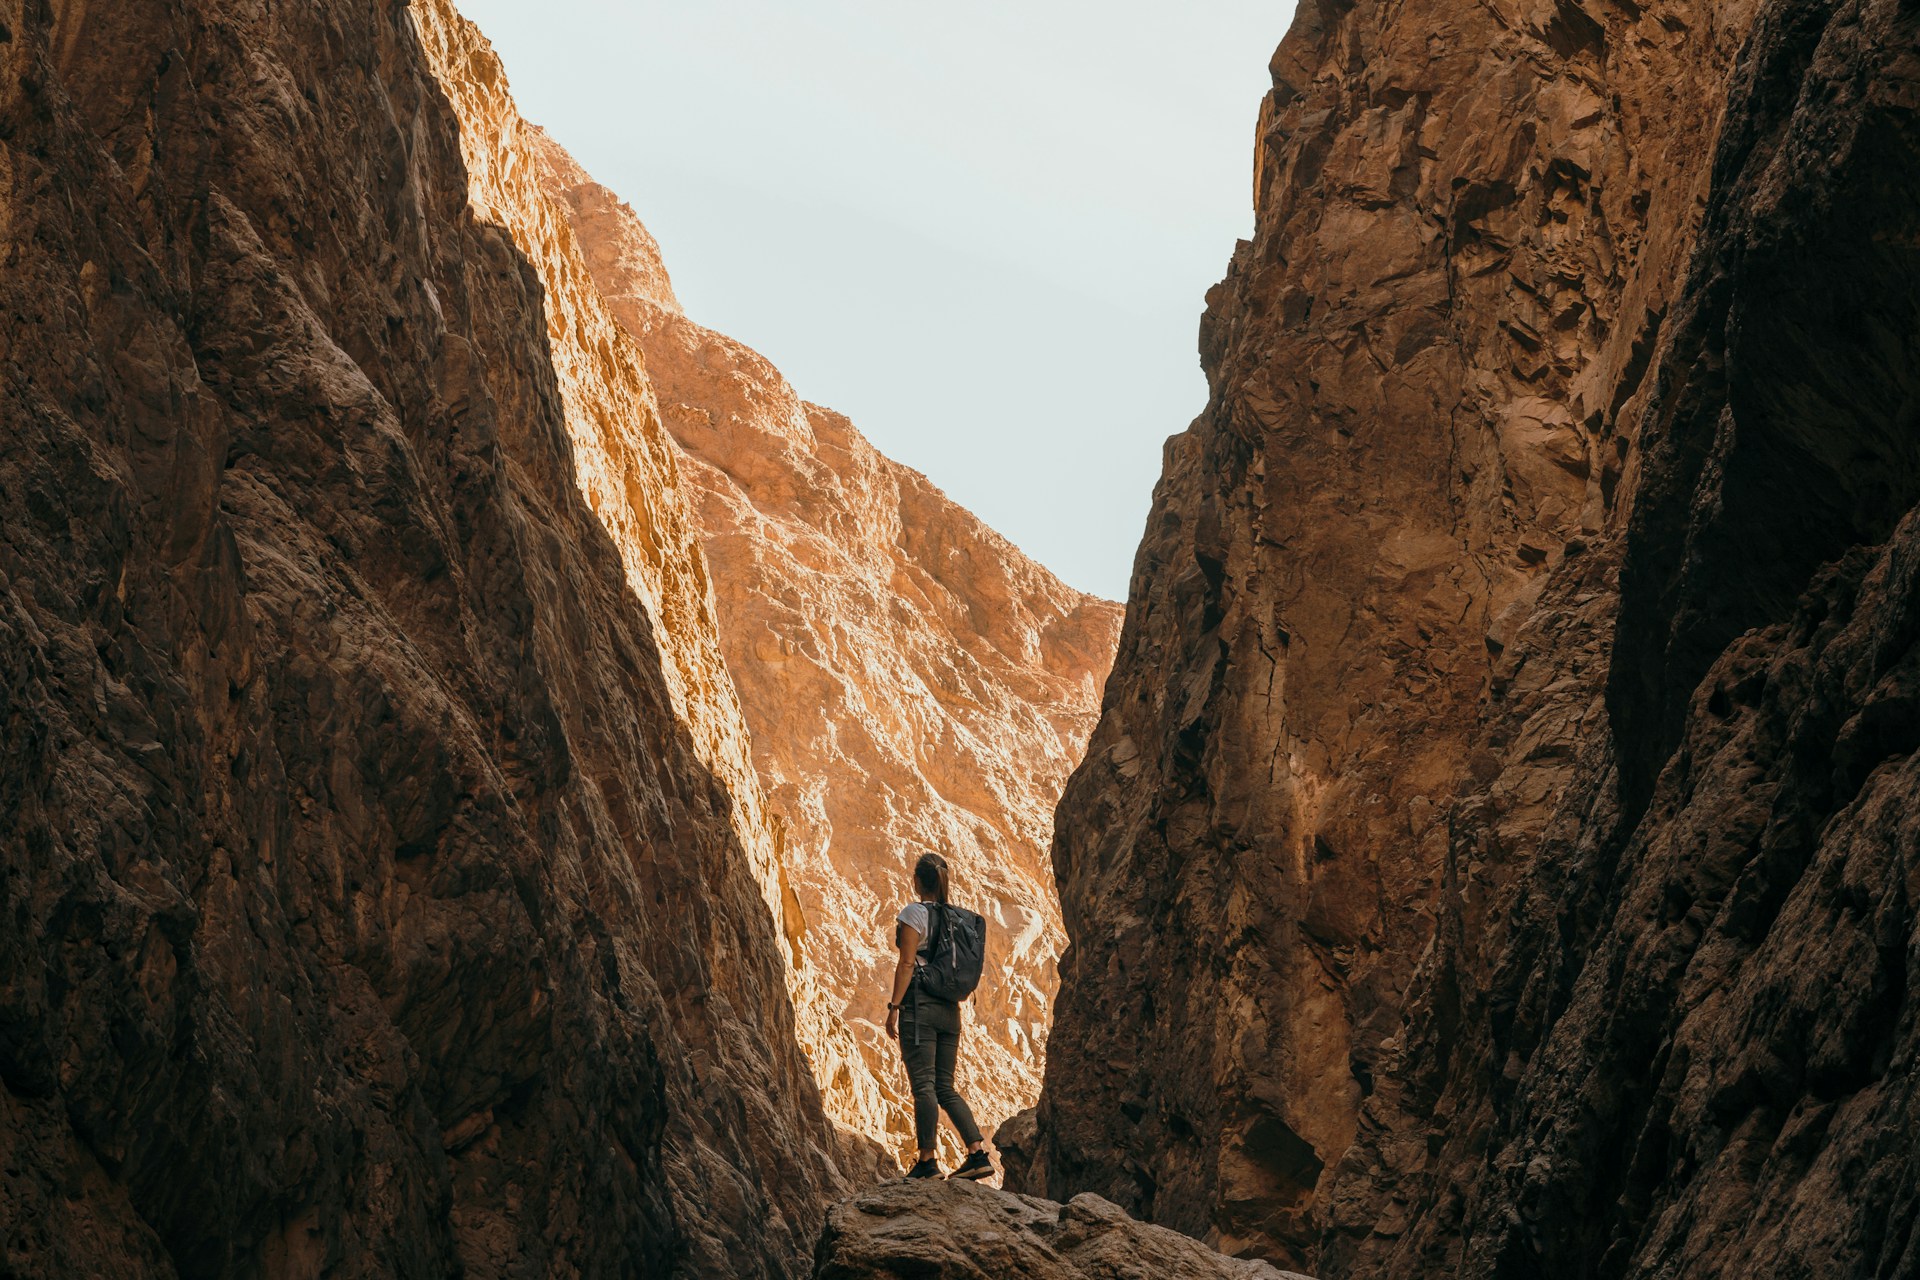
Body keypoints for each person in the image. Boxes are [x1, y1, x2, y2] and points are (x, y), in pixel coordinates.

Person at [885, 852, 994, 1180]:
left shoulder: (913, 914)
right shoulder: (958, 918)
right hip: (950, 1009)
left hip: (920, 1006)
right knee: (946, 1086)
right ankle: (977, 1154)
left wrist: (894, 1008)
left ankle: (928, 1161)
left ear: (917, 882)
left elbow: (906, 964)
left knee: (924, 1086)